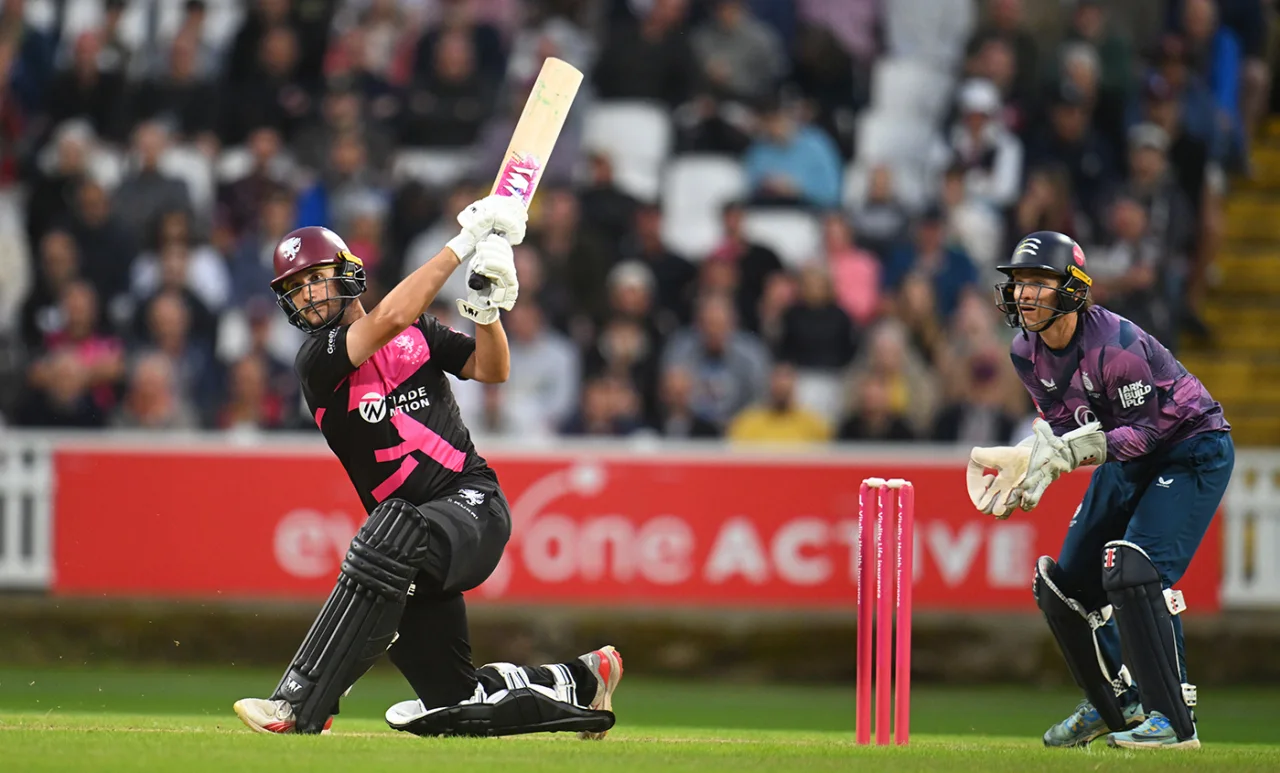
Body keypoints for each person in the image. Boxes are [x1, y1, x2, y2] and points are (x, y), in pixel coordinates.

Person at [231, 196, 623, 738]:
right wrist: (463, 244)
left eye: (315, 279)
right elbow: (390, 316)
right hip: (406, 555)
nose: (307, 295)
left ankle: (300, 703)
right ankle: (580, 678)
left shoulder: (421, 334)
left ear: (349, 275)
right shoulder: (317, 360)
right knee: (453, 700)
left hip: (472, 507)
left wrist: (488, 314)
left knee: (388, 527)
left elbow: (493, 368)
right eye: (295, 288)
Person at [966, 231, 1231, 750]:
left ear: (1072, 288)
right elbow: (1069, 426)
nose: (1024, 294)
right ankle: (1116, 705)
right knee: (1062, 589)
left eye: (1039, 283)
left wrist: (1067, 455)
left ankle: (1173, 722)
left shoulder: (1117, 345)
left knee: (1133, 567)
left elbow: (1147, 432)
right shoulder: (1025, 350)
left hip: (1191, 448)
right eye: (1019, 282)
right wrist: (1033, 460)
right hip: (1127, 459)